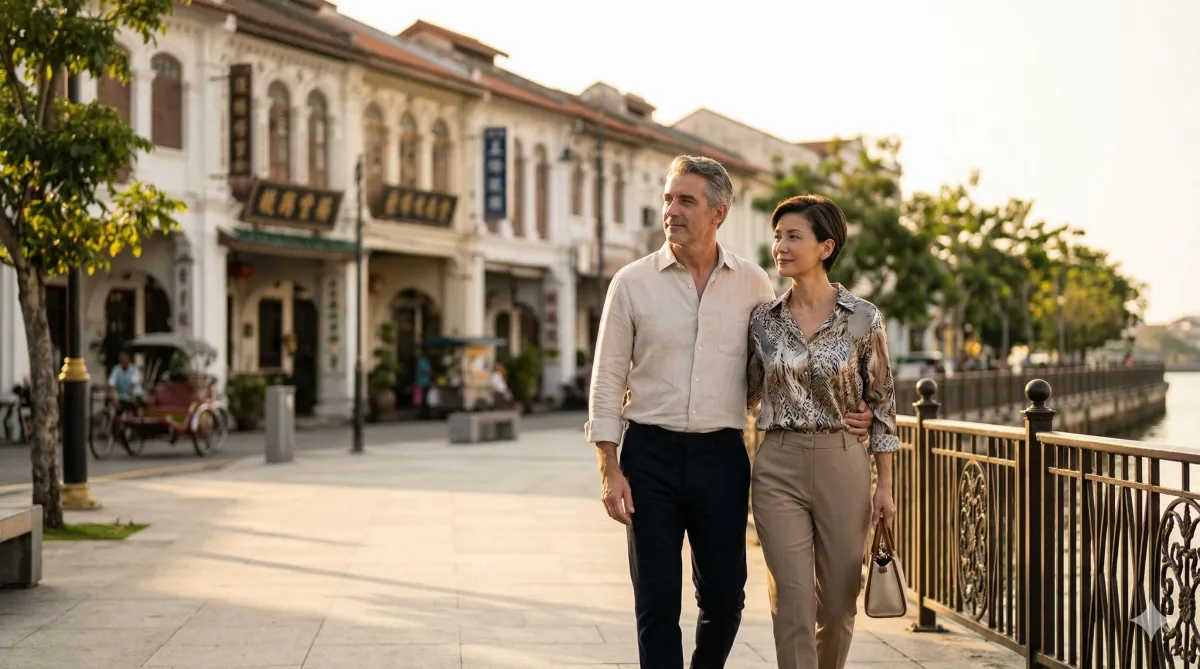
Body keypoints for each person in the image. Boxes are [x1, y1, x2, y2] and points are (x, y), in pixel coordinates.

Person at [587, 155, 875, 669]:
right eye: (668, 199)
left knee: (724, 597)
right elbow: (607, 377)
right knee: (655, 601)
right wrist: (609, 467)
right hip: (649, 454)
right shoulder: (631, 282)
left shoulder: (754, 284)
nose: (672, 210)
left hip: (721, 456)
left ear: (718, 212)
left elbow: (782, 368)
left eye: (686, 201)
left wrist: (857, 409)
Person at [747, 194, 899, 669]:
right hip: (778, 464)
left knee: (837, 603)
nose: (780, 246)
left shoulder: (863, 318)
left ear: (826, 247)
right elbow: (744, 393)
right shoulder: (763, 321)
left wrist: (885, 486)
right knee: (791, 602)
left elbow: (883, 404)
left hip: (843, 461)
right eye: (777, 236)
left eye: (793, 236)